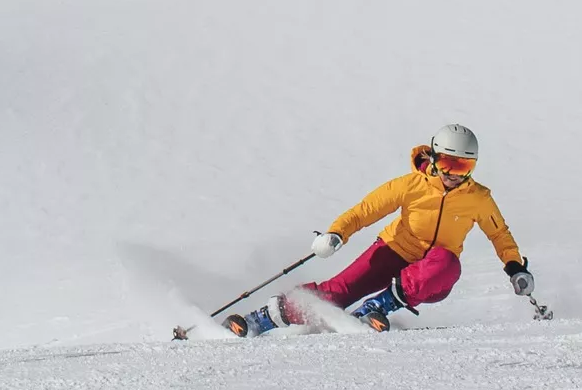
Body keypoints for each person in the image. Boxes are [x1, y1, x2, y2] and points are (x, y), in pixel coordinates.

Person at [227, 123, 534, 335]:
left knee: (447, 262)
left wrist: (515, 267)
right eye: (448, 164)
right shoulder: (410, 185)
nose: (454, 174)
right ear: (435, 158)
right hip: (392, 251)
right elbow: (366, 210)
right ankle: (262, 319)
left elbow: (499, 234)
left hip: (431, 274)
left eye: (464, 167)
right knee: (336, 293)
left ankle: (377, 307)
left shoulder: (478, 198)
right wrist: (336, 233)